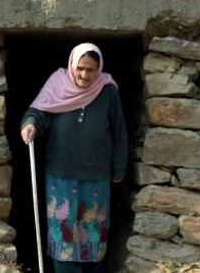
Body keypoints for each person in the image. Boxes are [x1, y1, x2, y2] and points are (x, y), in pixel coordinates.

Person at [20, 43, 128, 273]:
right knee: (63, 230)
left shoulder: (107, 91)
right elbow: (40, 112)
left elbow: (119, 131)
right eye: (80, 68)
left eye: (91, 70)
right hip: (61, 175)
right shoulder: (57, 84)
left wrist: (119, 166)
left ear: (99, 70)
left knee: (93, 231)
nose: (84, 75)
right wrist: (30, 124)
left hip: (96, 176)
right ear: (72, 65)